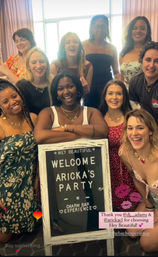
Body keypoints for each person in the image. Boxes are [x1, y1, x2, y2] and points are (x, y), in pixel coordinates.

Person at [0, 79, 39, 243]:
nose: (12, 102)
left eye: (14, 96)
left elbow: (41, 153)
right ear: (0, 106)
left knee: (34, 228)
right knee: (4, 239)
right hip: (6, 190)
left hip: (30, 186)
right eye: (5, 101)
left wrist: (38, 178)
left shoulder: (33, 119)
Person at [119, 108, 158, 253]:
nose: (134, 133)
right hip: (153, 200)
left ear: (150, 131)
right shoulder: (126, 153)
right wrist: (149, 205)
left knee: (146, 243)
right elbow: (137, 179)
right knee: (131, 230)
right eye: (130, 128)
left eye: (140, 128)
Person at [100, 79, 141, 211]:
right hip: (107, 171)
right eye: (110, 93)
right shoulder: (97, 117)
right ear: (105, 96)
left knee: (133, 208)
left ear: (124, 97)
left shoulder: (131, 117)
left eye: (119, 93)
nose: (114, 97)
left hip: (131, 170)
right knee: (113, 213)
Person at [34, 72, 108, 144]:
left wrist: (67, 128)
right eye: (60, 89)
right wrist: (81, 134)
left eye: (70, 87)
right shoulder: (48, 113)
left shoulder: (92, 112)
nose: (66, 92)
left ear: (78, 89)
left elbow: (103, 131)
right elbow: (39, 137)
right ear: (56, 93)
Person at [82, 14, 121, 109]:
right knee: (89, 113)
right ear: (91, 28)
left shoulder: (112, 48)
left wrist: (120, 82)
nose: (100, 29)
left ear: (107, 28)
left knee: (107, 111)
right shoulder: (83, 45)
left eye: (103, 26)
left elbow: (116, 71)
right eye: (97, 26)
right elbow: (79, 67)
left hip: (107, 85)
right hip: (89, 86)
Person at [50, 32, 93, 96]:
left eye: (75, 42)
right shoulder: (55, 66)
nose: (72, 45)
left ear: (79, 47)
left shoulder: (88, 66)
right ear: (63, 47)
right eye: (68, 42)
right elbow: (53, 91)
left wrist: (85, 88)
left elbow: (87, 93)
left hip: (78, 103)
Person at [129, 41, 158, 124]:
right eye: (148, 60)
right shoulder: (134, 82)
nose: (151, 65)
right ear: (141, 61)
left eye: (157, 61)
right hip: (143, 128)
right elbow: (135, 112)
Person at [16, 47, 51, 114]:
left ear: (47, 64)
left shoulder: (54, 83)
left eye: (42, 61)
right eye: (34, 62)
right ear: (28, 66)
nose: (38, 66)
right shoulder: (21, 86)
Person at [120, 16, 152, 89]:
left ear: (147, 32)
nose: (138, 31)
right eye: (134, 28)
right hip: (126, 93)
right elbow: (122, 77)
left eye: (142, 28)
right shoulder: (123, 52)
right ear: (130, 31)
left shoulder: (151, 51)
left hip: (145, 93)